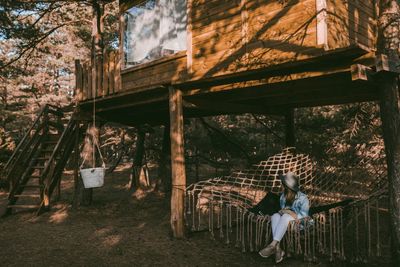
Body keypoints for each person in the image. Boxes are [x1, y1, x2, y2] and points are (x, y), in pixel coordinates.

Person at [259, 172, 310, 263]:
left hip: (299, 223)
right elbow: (283, 212)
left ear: (288, 186)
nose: (282, 186)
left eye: (284, 184)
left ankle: (273, 245)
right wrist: (282, 211)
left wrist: (289, 212)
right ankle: (277, 248)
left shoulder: (303, 198)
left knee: (286, 216)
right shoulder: (283, 196)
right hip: (285, 221)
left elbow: (304, 216)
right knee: (275, 215)